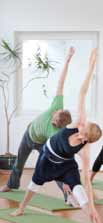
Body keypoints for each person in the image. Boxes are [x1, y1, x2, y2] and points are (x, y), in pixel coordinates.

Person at [11, 49, 103, 223]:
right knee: (34, 186)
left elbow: (87, 181)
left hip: (66, 166)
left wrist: (92, 205)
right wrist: (91, 66)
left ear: (85, 136)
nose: (83, 123)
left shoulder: (85, 149)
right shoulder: (78, 123)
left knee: (80, 192)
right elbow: (83, 92)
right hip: (47, 159)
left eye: (85, 127)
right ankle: (21, 208)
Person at [0, 47, 74, 203]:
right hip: (28, 135)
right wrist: (67, 60)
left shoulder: (54, 134)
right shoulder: (57, 107)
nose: (55, 110)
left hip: (42, 144)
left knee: (55, 168)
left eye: (56, 113)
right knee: (19, 161)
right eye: (57, 110)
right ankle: (11, 185)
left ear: (56, 122)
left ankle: (67, 194)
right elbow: (61, 82)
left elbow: (61, 156)